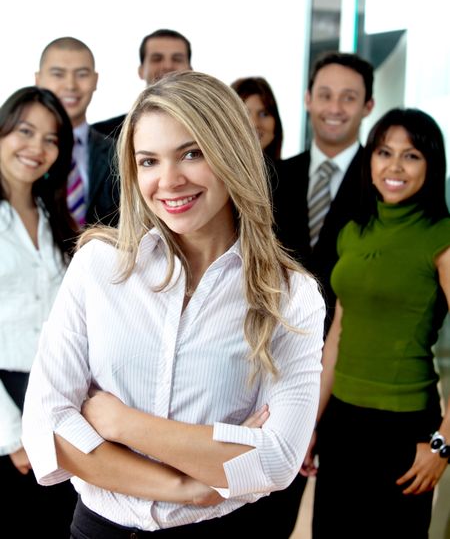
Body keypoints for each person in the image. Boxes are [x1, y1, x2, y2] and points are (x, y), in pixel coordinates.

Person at [22, 70, 325, 538]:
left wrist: (119, 423)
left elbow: (277, 459)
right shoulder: (99, 266)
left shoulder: (289, 294)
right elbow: (47, 426)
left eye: (191, 153)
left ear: (231, 153)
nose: (168, 181)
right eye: (148, 161)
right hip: (98, 529)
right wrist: (188, 484)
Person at [308, 108, 450, 538]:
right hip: (343, 425)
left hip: (405, 431)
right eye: (384, 152)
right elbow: (337, 336)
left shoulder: (441, 239)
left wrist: (444, 444)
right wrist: (311, 424)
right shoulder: (354, 231)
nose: (394, 166)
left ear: (432, 165)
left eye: (411, 156)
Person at [0, 86, 78, 535]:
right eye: (25, 131)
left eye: (51, 139)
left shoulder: (53, 216)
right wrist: (13, 437)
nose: (37, 148)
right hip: (6, 404)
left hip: (50, 397)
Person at [276, 51, 374, 330]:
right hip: (278, 338)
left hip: (352, 343)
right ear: (308, 99)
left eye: (349, 98)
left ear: (368, 106)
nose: (335, 108)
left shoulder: (382, 184)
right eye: (325, 95)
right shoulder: (274, 176)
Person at [36, 36, 119, 227]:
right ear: (38, 79)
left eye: (81, 74)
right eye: (58, 74)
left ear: (95, 80)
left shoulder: (118, 151)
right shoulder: (17, 151)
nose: (71, 85)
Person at [92, 29, 192, 139]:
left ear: (190, 70)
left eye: (177, 59)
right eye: (157, 59)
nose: (167, 66)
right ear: (141, 71)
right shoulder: (102, 134)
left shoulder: (211, 124)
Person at [231, 76, 283, 163]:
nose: (254, 124)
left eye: (264, 114)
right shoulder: (209, 174)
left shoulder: (292, 174)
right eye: (244, 115)